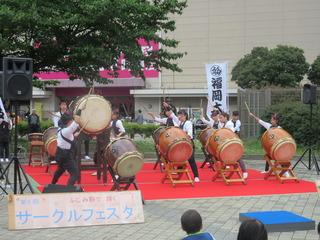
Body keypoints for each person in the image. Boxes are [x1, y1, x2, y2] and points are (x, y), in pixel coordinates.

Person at [167, 104, 200, 182]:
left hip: (188, 144)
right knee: (179, 158)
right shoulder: (180, 123)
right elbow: (172, 115)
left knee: (191, 160)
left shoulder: (188, 123)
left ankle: (196, 176)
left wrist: (183, 136)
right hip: (181, 144)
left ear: (185, 116)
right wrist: (167, 106)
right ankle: (179, 173)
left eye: (181, 116)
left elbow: (189, 135)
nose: (179, 117)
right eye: (179, 116)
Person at [51, 112, 81, 186]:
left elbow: (67, 137)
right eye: (71, 120)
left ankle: (53, 184)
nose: (72, 122)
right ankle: (68, 190)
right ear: (69, 122)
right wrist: (80, 110)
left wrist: (74, 136)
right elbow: (76, 122)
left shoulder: (61, 130)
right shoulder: (67, 131)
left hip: (60, 154)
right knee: (75, 174)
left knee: (60, 170)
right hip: (66, 156)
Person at [218, 111, 248, 179]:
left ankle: (244, 172)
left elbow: (232, 132)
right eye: (220, 118)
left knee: (238, 157)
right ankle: (223, 170)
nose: (220, 119)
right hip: (226, 142)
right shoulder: (222, 124)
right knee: (222, 156)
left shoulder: (229, 124)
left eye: (221, 118)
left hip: (232, 141)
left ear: (225, 118)